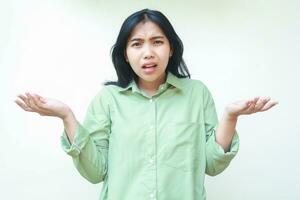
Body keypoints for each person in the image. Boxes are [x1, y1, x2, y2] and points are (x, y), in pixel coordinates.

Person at [15, 8, 278, 200]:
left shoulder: (196, 94)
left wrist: (230, 117)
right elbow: (96, 172)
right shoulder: (107, 100)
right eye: (137, 44)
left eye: (157, 42)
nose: (148, 53)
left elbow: (212, 164)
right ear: (126, 55)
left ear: (171, 48)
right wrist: (67, 116)